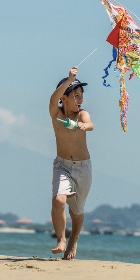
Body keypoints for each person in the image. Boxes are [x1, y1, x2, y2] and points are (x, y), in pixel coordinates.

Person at [49, 66, 94, 260]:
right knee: (58, 200)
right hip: (63, 166)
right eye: (75, 95)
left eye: (81, 95)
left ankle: (74, 239)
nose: (80, 99)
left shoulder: (82, 115)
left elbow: (90, 124)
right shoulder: (57, 115)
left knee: (76, 211)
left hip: (83, 168)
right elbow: (52, 99)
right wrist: (69, 79)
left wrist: (84, 125)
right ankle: (61, 239)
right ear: (64, 98)